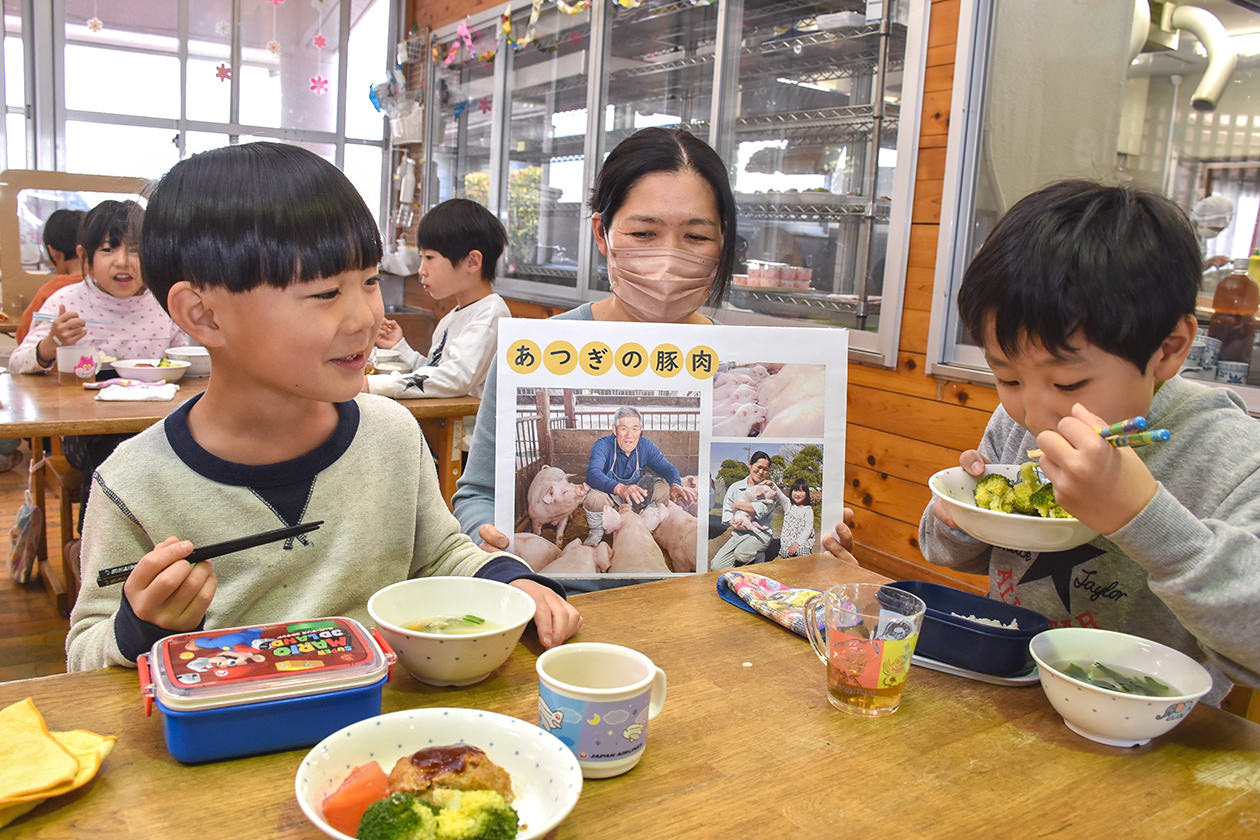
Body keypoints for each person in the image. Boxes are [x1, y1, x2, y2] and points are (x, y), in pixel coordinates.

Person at [65, 142, 581, 671]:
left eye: (370, 281)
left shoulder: (391, 435)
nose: (364, 316)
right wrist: (140, 629)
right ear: (203, 314)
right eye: (326, 293)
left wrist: (511, 578)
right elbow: (84, 654)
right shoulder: (134, 483)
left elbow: (441, 554)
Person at [919, 179, 1260, 704]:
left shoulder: (1229, 453)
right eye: (1007, 378)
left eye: (1069, 384)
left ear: (1168, 348)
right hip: (1012, 692)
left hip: (1151, 742)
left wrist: (1141, 516)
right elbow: (944, 552)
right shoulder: (1017, 423)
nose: (1034, 413)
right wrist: (960, 515)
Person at [451, 126, 855, 563]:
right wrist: (485, 538)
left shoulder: (740, 365)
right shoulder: (535, 351)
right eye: (644, 234)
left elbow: (663, 465)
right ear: (602, 234)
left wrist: (823, 538)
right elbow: (478, 495)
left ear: (724, 245)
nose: (668, 260)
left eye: (696, 237)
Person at [9, 200, 188, 525]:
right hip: (85, 435)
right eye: (108, 249)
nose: (123, 262)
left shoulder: (164, 303)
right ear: (86, 257)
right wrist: (51, 343)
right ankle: (91, 546)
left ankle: (163, 546)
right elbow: (18, 361)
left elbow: (181, 362)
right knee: (116, 449)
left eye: (135, 250)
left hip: (153, 423)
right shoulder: (64, 301)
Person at [365, 198, 510, 409]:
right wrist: (399, 347)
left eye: (430, 257)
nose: (422, 270)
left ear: (472, 261)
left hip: (465, 436)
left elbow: (454, 380)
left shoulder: (490, 315)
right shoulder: (455, 315)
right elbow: (435, 372)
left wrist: (374, 385)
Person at [581, 406, 693, 545]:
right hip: (610, 496)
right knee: (594, 498)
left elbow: (668, 468)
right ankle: (596, 532)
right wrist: (620, 488)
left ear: (640, 431)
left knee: (663, 487)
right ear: (614, 430)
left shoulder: (646, 446)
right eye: (624, 429)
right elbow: (593, 473)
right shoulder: (603, 445)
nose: (629, 435)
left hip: (636, 497)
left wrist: (675, 484)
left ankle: (646, 524)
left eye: (634, 429)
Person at [16, 208, 86, 343]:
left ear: (53, 252)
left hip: (57, 363)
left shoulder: (52, 290)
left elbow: (23, 336)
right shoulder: (105, 285)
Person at [711, 451, 788, 570]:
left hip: (760, 533)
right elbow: (727, 510)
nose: (761, 472)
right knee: (717, 565)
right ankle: (738, 576)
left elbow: (760, 510)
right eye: (759, 467)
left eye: (766, 469)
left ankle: (759, 556)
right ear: (750, 465)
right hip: (739, 533)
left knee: (741, 555)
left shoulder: (767, 489)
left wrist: (737, 505)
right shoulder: (735, 487)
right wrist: (732, 522)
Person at [778, 478, 816, 558]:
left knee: (801, 557)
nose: (798, 494)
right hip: (787, 545)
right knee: (786, 559)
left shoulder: (808, 510)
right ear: (791, 492)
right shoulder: (788, 506)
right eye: (795, 490)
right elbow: (780, 495)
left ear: (807, 493)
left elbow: (808, 530)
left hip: (801, 545)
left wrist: (797, 544)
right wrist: (772, 485)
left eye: (801, 491)